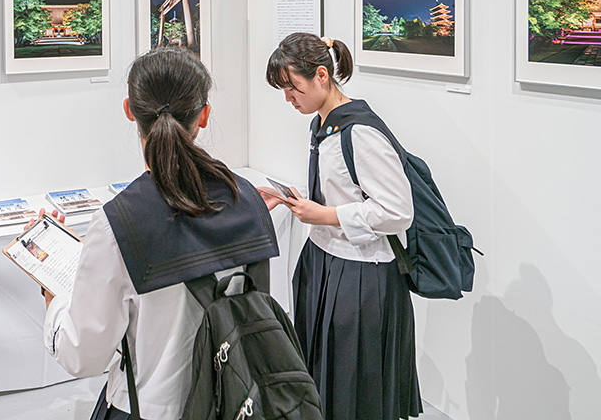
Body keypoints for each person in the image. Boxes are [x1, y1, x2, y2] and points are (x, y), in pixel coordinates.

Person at [40, 47, 279, 420]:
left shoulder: (118, 222)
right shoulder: (246, 197)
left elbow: (82, 355)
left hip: (149, 409)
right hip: (237, 401)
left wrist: (53, 298)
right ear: (204, 115)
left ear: (129, 111)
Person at [261, 32, 421, 420]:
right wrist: (292, 197)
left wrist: (326, 215)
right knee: (326, 378)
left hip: (361, 276)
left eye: (292, 87)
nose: (288, 98)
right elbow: (342, 189)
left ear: (321, 75)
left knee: (356, 387)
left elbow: (399, 211)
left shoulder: (360, 132)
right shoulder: (323, 123)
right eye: (283, 89)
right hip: (324, 262)